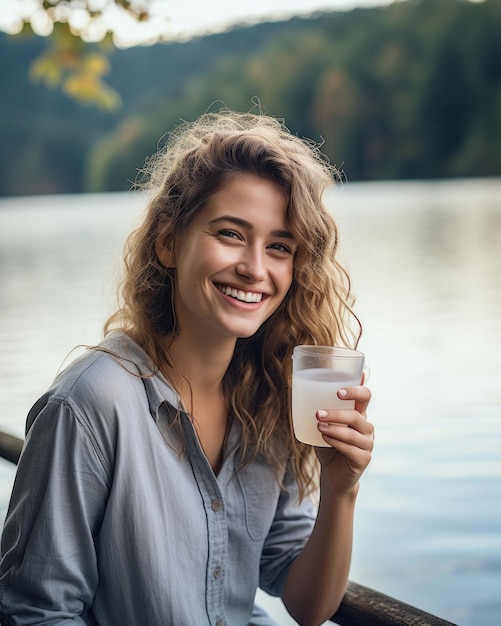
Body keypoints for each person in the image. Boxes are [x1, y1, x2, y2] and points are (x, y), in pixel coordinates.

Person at [0, 108, 374, 626]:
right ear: (169, 242)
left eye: (280, 247)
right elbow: (35, 613)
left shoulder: (270, 399)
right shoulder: (91, 403)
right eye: (230, 233)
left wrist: (342, 490)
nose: (255, 268)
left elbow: (307, 605)